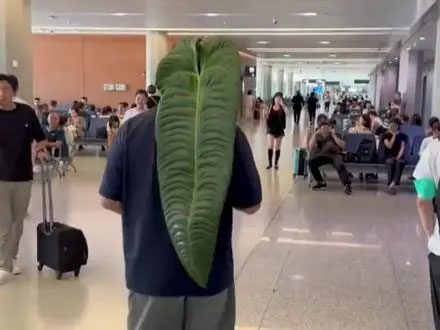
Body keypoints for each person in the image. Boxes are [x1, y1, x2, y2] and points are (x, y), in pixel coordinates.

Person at [99, 111, 262, 330]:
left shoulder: (132, 129)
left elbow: (108, 200)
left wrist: (145, 214)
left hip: (151, 273)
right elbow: (251, 205)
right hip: (209, 273)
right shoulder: (225, 131)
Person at [0, 74, 47, 285]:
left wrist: (41, 150)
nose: (1, 94)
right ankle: (3, 265)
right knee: (4, 223)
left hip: (23, 176)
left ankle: (13, 256)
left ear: (14, 92)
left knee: (18, 223)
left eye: (6, 89)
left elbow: (40, 138)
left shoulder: (26, 113)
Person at [308, 119, 352, 195]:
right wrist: (314, 134)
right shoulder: (318, 137)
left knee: (340, 165)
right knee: (311, 162)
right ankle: (321, 182)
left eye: (327, 128)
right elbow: (311, 148)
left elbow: (343, 146)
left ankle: (347, 184)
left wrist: (333, 135)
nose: (325, 130)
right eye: (323, 129)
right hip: (323, 155)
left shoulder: (335, 135)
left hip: (335, 154)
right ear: (320, 129)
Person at [381, 118, 406, 195]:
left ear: (397, 126)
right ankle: (391, 182)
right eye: (390, 125)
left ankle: (394, 182)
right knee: (390, 162)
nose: (392, 127)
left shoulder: (402, 135)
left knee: (399, 162)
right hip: (388, 155)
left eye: (394, 125)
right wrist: (394, 136)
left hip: (399, 155)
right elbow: (389, 146)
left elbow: (402, 148)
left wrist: (398, 156)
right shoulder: (385, 135)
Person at [265, 92, 287, 170]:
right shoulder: (271, 106)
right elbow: (266, 115)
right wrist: (265, 113)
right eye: (276, 98)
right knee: (270, 146)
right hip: (270, 129)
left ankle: (276, 163)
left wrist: (282, 104)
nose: (277, 99)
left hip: (279, 129)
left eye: (279, 98)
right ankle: (270, 163)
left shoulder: (282, 108)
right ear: (274, 98)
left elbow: (287, 112)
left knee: (277, 148)